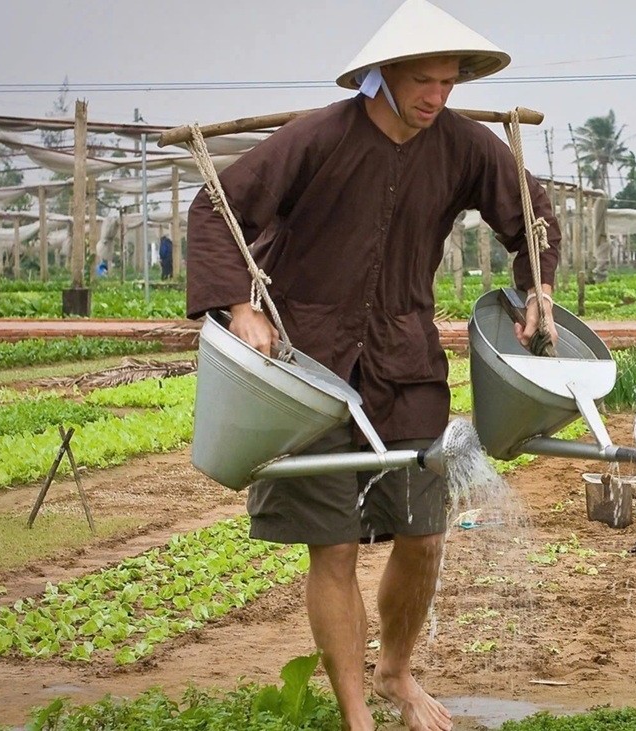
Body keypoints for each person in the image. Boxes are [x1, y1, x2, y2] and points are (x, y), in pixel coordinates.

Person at [184, 2, 560, 729]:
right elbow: (215, 208)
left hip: (404, 361)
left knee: (424, 534)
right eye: (423, 80)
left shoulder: (463, 145)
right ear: (383, 75)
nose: (437, 96)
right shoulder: (318, 138)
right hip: (308, 369)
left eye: (449, 82)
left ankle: (395, 672)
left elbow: (530, 211)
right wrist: (239, 306)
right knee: (332, 546)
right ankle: (356, 714)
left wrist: (538, 287)